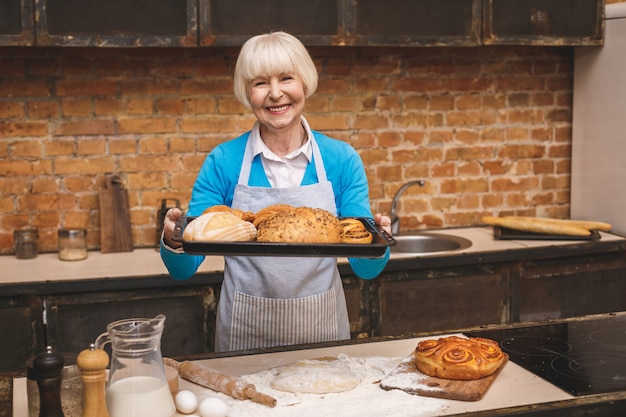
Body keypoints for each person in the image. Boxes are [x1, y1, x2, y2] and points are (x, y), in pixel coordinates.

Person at [161, 31, 391, 352]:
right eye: (260, 83)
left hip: (321, 332)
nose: (275, 93)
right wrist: (175, 239)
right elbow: (183, 269)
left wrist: (378, 239)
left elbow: (366, 269)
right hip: (244, 335)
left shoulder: (341, 160)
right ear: (247, 93)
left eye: (286, 78)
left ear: (305, 83)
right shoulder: (224, 162)